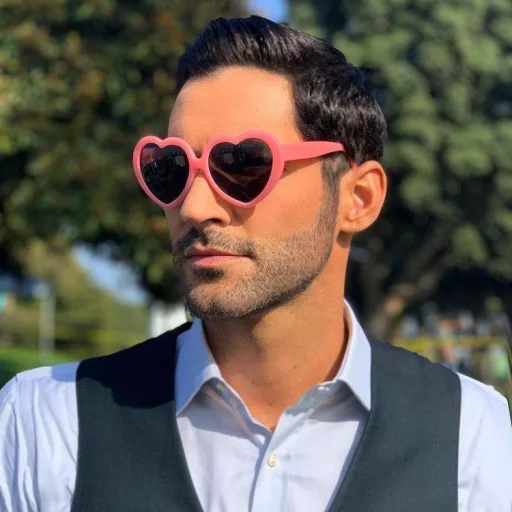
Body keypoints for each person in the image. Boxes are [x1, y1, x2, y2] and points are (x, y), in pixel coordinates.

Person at [1, 15, 511, 512]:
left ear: (358, 198)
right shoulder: (46, 426)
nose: (194, 207)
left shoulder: (470, 434)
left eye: (242, 164)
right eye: (171, 170)